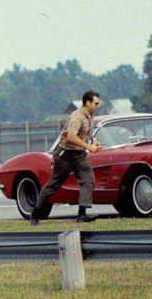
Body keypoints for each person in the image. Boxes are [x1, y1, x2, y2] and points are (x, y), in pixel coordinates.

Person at [30, 91, 102, 225]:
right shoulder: (77, 117)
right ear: (87, 102)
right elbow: (71, 136)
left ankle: (82, 215)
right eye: (96, 103)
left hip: (79, 155)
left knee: (88, 180)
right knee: (53, 185)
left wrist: (94, 142)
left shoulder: (88, 116)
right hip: (65, 155)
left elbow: (86, 133)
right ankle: (35, 213)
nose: (97, 106)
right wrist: (88, 147)